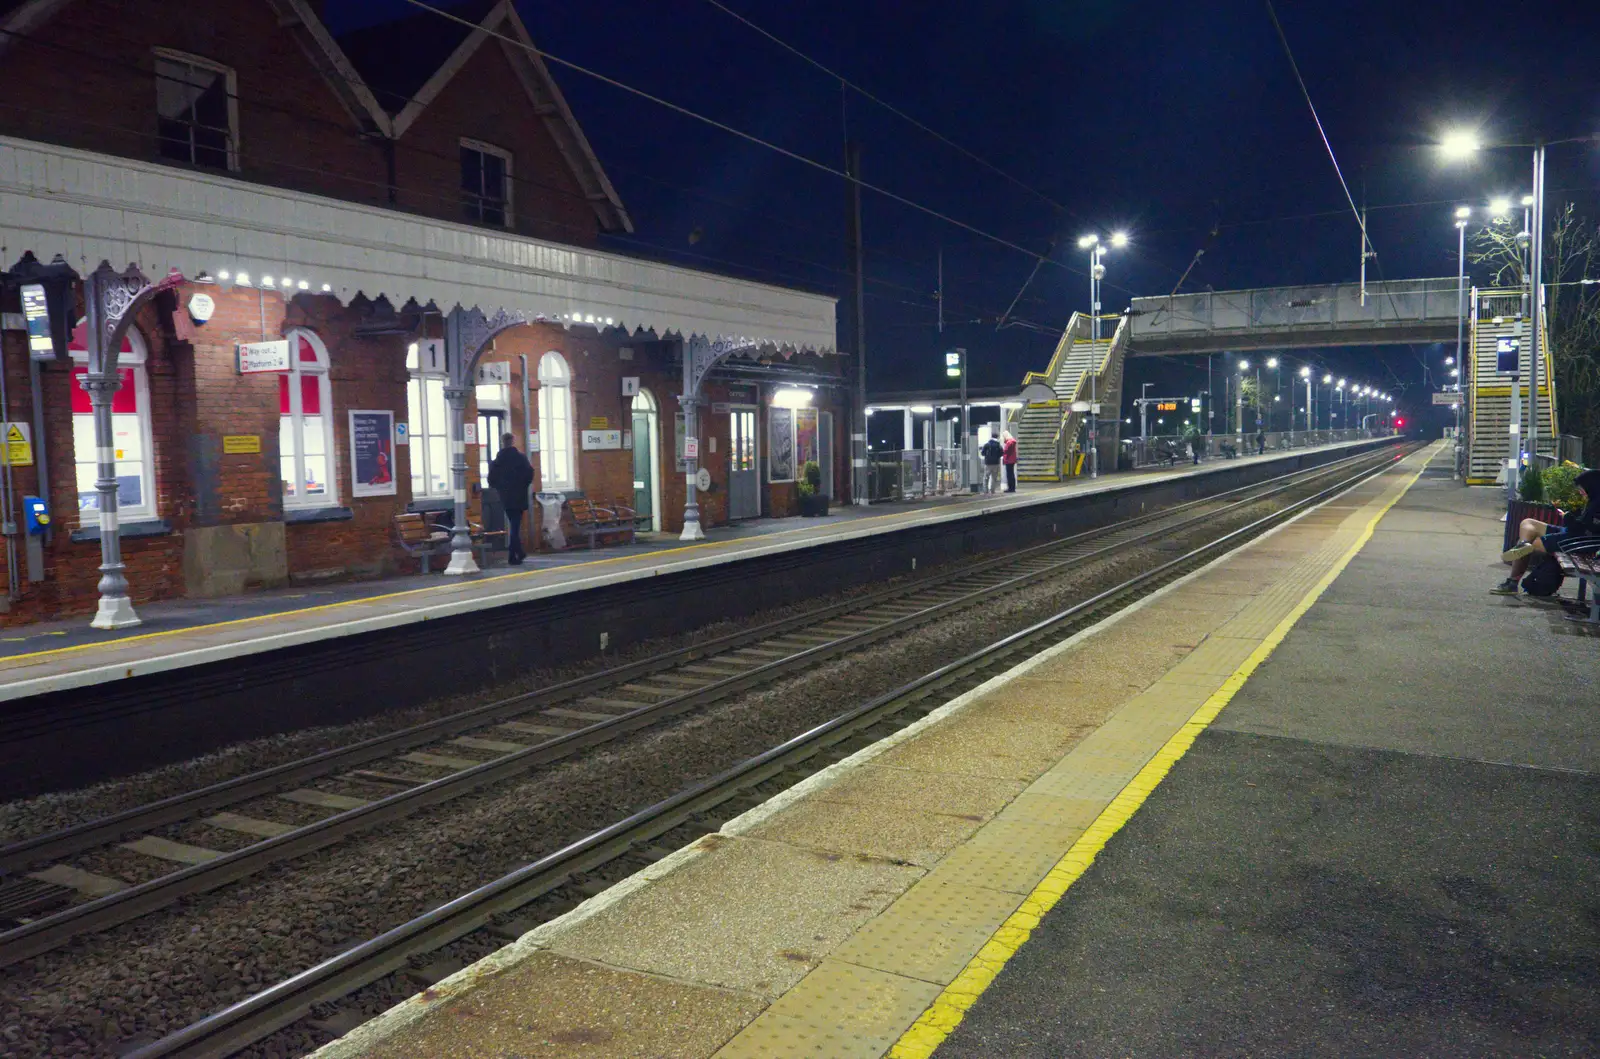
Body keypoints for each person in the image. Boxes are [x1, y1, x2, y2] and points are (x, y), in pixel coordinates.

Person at [1494, 468, 1600, 594]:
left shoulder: (1597, 504)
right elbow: (1583, 525)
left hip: (1578, 541)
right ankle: (1524, 544)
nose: (1580, 492)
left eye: (1582, 488)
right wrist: (1570, 515)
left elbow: (1582, 529)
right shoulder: (1594, 500)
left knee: (1536, 542)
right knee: (1528, 523)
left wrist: (1566, 516)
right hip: (1574, 535)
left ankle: (1512, 581)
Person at [487, 432, 534, 565]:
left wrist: (501, 488)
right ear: (512, 441)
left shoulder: (497, 461)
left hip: (505, 497)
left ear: (502, 442)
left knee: (514, 524)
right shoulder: (521, 458)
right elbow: (530, 473)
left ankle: (519, 552)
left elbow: (491, 479)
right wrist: (522, 485)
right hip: (519, 495)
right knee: (515, 525)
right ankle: (513, 555)